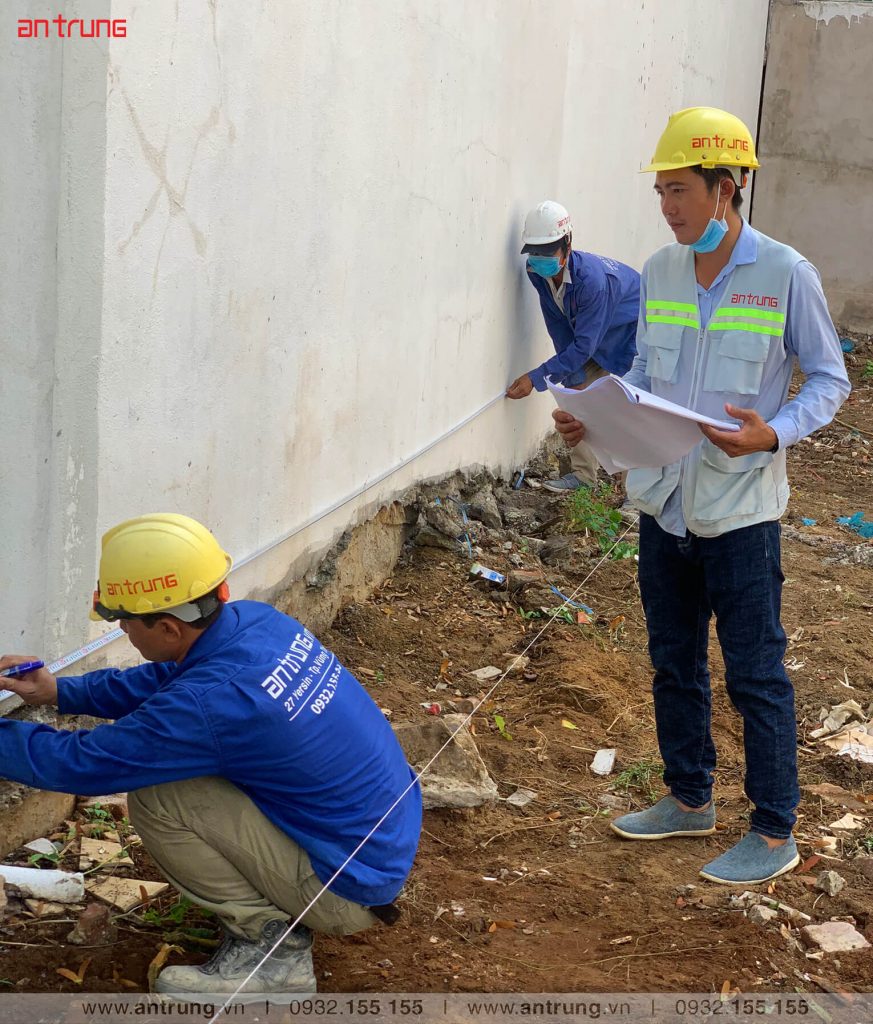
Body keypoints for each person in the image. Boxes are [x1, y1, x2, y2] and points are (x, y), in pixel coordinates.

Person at [552, 107, 850, 885]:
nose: (666, 206)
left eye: (678, 189)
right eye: (659, 191)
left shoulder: (785, 273)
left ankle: (773, 830)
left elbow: (829, 379)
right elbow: (646, 377)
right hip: (665, 502)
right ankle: (688, 798)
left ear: (726, 188)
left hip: (739, 509)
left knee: (754, 675)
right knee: (672, 662)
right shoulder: (659, 270)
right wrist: (597, 415)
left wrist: (772, 433)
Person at [0, 513, 422, 998]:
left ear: (167, 627)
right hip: (380, 842)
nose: (123, 631)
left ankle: (273, 954)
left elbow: (83, 763)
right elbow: (168, 680)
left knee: (160, 797)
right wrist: (60, 691)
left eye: (124, 621)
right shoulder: (255, 623)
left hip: (346, 888)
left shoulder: (211, 705)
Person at [507, 200, 640, 492]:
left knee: (627, 409)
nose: (540, 259)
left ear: (567, 244)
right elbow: (557, 322)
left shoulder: (593, 282)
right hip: (590, 337)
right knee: (575, 395)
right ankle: (583, 477)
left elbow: (583, 347)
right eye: (534, 252)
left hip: (629, 336)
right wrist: (571, 375)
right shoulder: (536, 272)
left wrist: (536, 378)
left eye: (547, 252)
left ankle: (635, 492)